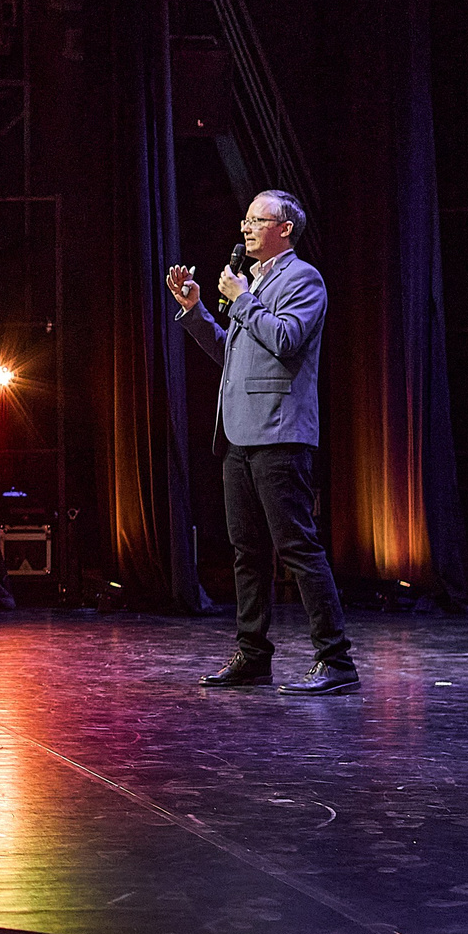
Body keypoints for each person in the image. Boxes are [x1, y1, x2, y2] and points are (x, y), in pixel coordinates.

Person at [167, 190, 358, 696]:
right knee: (245, 552)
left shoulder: (303, 280)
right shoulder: (251, 284)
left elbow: (286, 339)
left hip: (280, 433)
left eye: (258, 220)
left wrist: (244, 300)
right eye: (246, 219)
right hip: (237, 435)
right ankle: (253, 655)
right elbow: (233, 357)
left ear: (286, 228)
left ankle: (335, 659)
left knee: (296, 548)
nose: (246, 228)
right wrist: (195, 310)